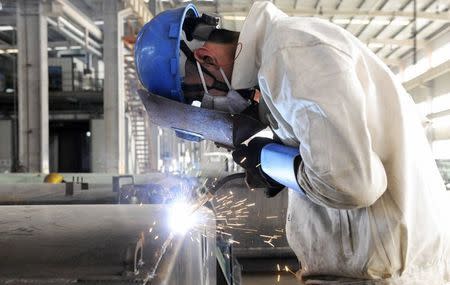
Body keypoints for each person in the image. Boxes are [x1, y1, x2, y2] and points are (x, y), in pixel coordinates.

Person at [134, 2, 450, 284]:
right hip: (377, 268)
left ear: (204, 58)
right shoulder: (280, 59)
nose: (212, 107)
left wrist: (271, 161)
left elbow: (351, 182)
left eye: (198, 99)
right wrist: (280, 160)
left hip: (386, 274)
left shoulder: (290, 53)